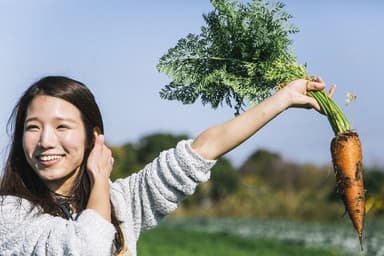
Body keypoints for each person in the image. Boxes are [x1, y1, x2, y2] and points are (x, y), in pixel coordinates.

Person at [0, 75, 333, 255]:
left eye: (62, 127)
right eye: (33, 127)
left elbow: (203, 149)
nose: (45, 141)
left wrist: (284, 99)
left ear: (93, 137)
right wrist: (100, 176)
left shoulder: (121, 202)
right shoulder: (10, 214)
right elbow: (88, 249)